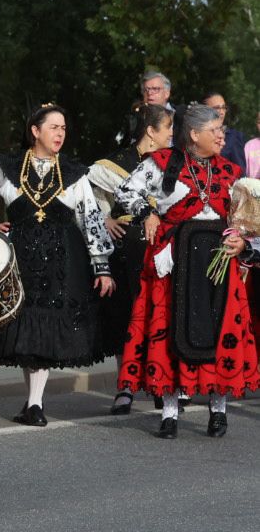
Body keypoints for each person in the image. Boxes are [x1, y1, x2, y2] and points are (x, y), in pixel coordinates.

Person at [116, 103, 260, 438]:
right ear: (194, 134)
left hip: (219, 262)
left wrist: (241, 242)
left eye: (222, 130)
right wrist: (147, 214)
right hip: (175, 263)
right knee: (171, 331)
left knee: (219, 329)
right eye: (215, 131)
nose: (222, 137)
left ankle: (218, 409)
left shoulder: (232, 172)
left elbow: (246, 223)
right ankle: (169, 411)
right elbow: (126, 192)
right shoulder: (164, 164)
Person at [0, 105, 114, 425]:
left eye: (64, 128)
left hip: (59, 261)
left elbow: (91, 219)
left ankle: (35, 404)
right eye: (53, 127)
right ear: (35, 131)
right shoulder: (6, 166)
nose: (60, 134)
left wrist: (102, 267)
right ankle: (32, 403)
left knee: (45, 329)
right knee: (26, 331)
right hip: (20, 259)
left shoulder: (74, 173)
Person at [90, 102, 175, 413]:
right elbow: (92, 201)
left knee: (158, 315)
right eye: (168, 128)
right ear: (151, 131)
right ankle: (124, 386)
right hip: (127, 248)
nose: (172, 135)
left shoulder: (174, 162)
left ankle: (157, 381)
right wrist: (105, 219)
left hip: (161, 248)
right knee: (125, 315)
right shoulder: (115, 163)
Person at [203, 92, 247, 167]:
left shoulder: (234, 137)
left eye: (223, 108)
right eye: (217, 108)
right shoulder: (196, 135)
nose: (221, 112)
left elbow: (240, 171)